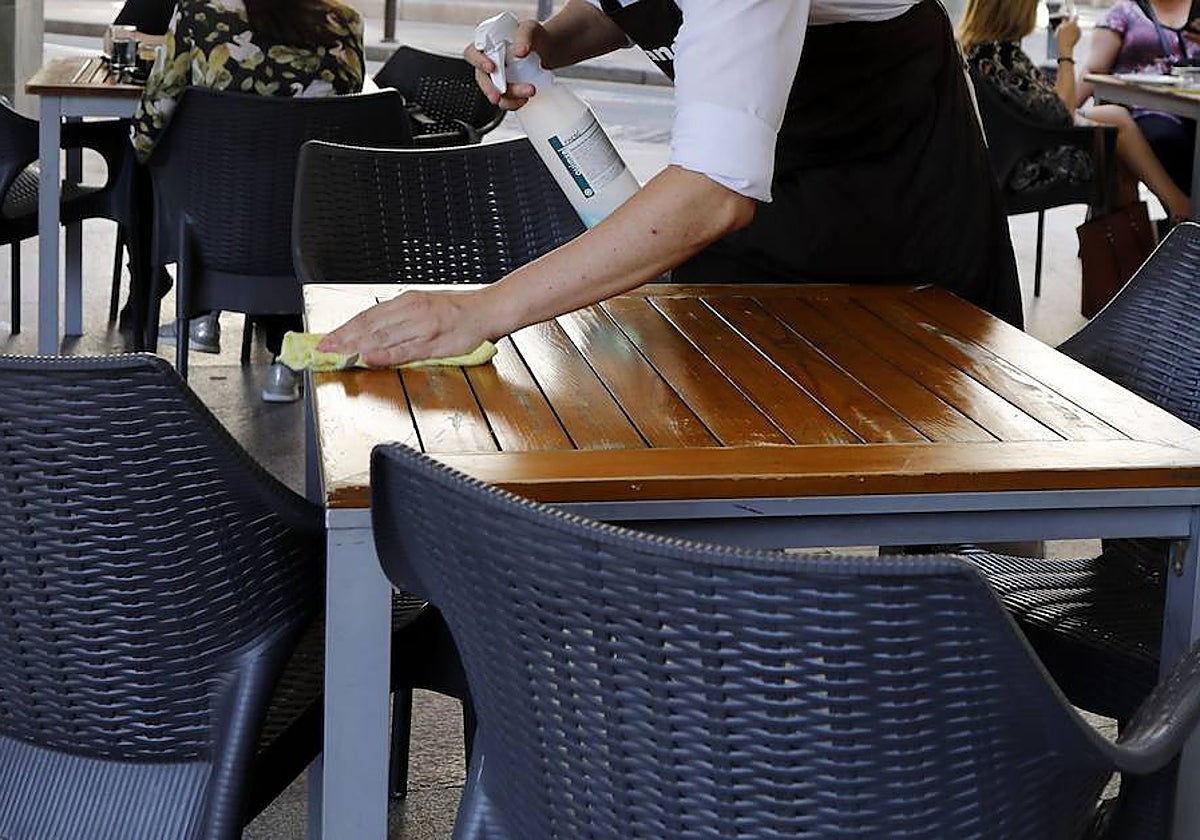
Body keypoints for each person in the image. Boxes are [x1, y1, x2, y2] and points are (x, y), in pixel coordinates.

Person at [320, 0, 1023, 367]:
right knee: (687, 406)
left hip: (901, 198)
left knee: (946, 488)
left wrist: (479, 311)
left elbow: (712, 194)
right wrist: (554, 40)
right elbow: (631, 6)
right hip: (774, 186)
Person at [129, 0, 364, 402]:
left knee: (144, 164)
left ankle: (185, 314)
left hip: (217, 231)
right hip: (311, 237)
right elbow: (343, 124)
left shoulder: (197, 15)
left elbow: (152, 119)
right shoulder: (345, 22)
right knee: (294, 178)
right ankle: (285, 356)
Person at [961, 0, 1192, 222]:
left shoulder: (974, 50)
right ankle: (1174, 215)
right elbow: (1062, 115)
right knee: (1114, 152)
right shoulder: (1003, 54)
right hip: (1020, 165)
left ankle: (1139, 237)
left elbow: (1044, 108)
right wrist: (1065, 51)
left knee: (1114, 123)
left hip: (1002, 153)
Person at [1077, 0, 1199, 207]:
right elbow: (1094, 70)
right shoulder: (1125, 11)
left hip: (1192, 108)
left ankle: (1186, 220)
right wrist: (1062, 108)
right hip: (1145, 110)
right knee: (1165, 138)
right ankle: (1183, 212)